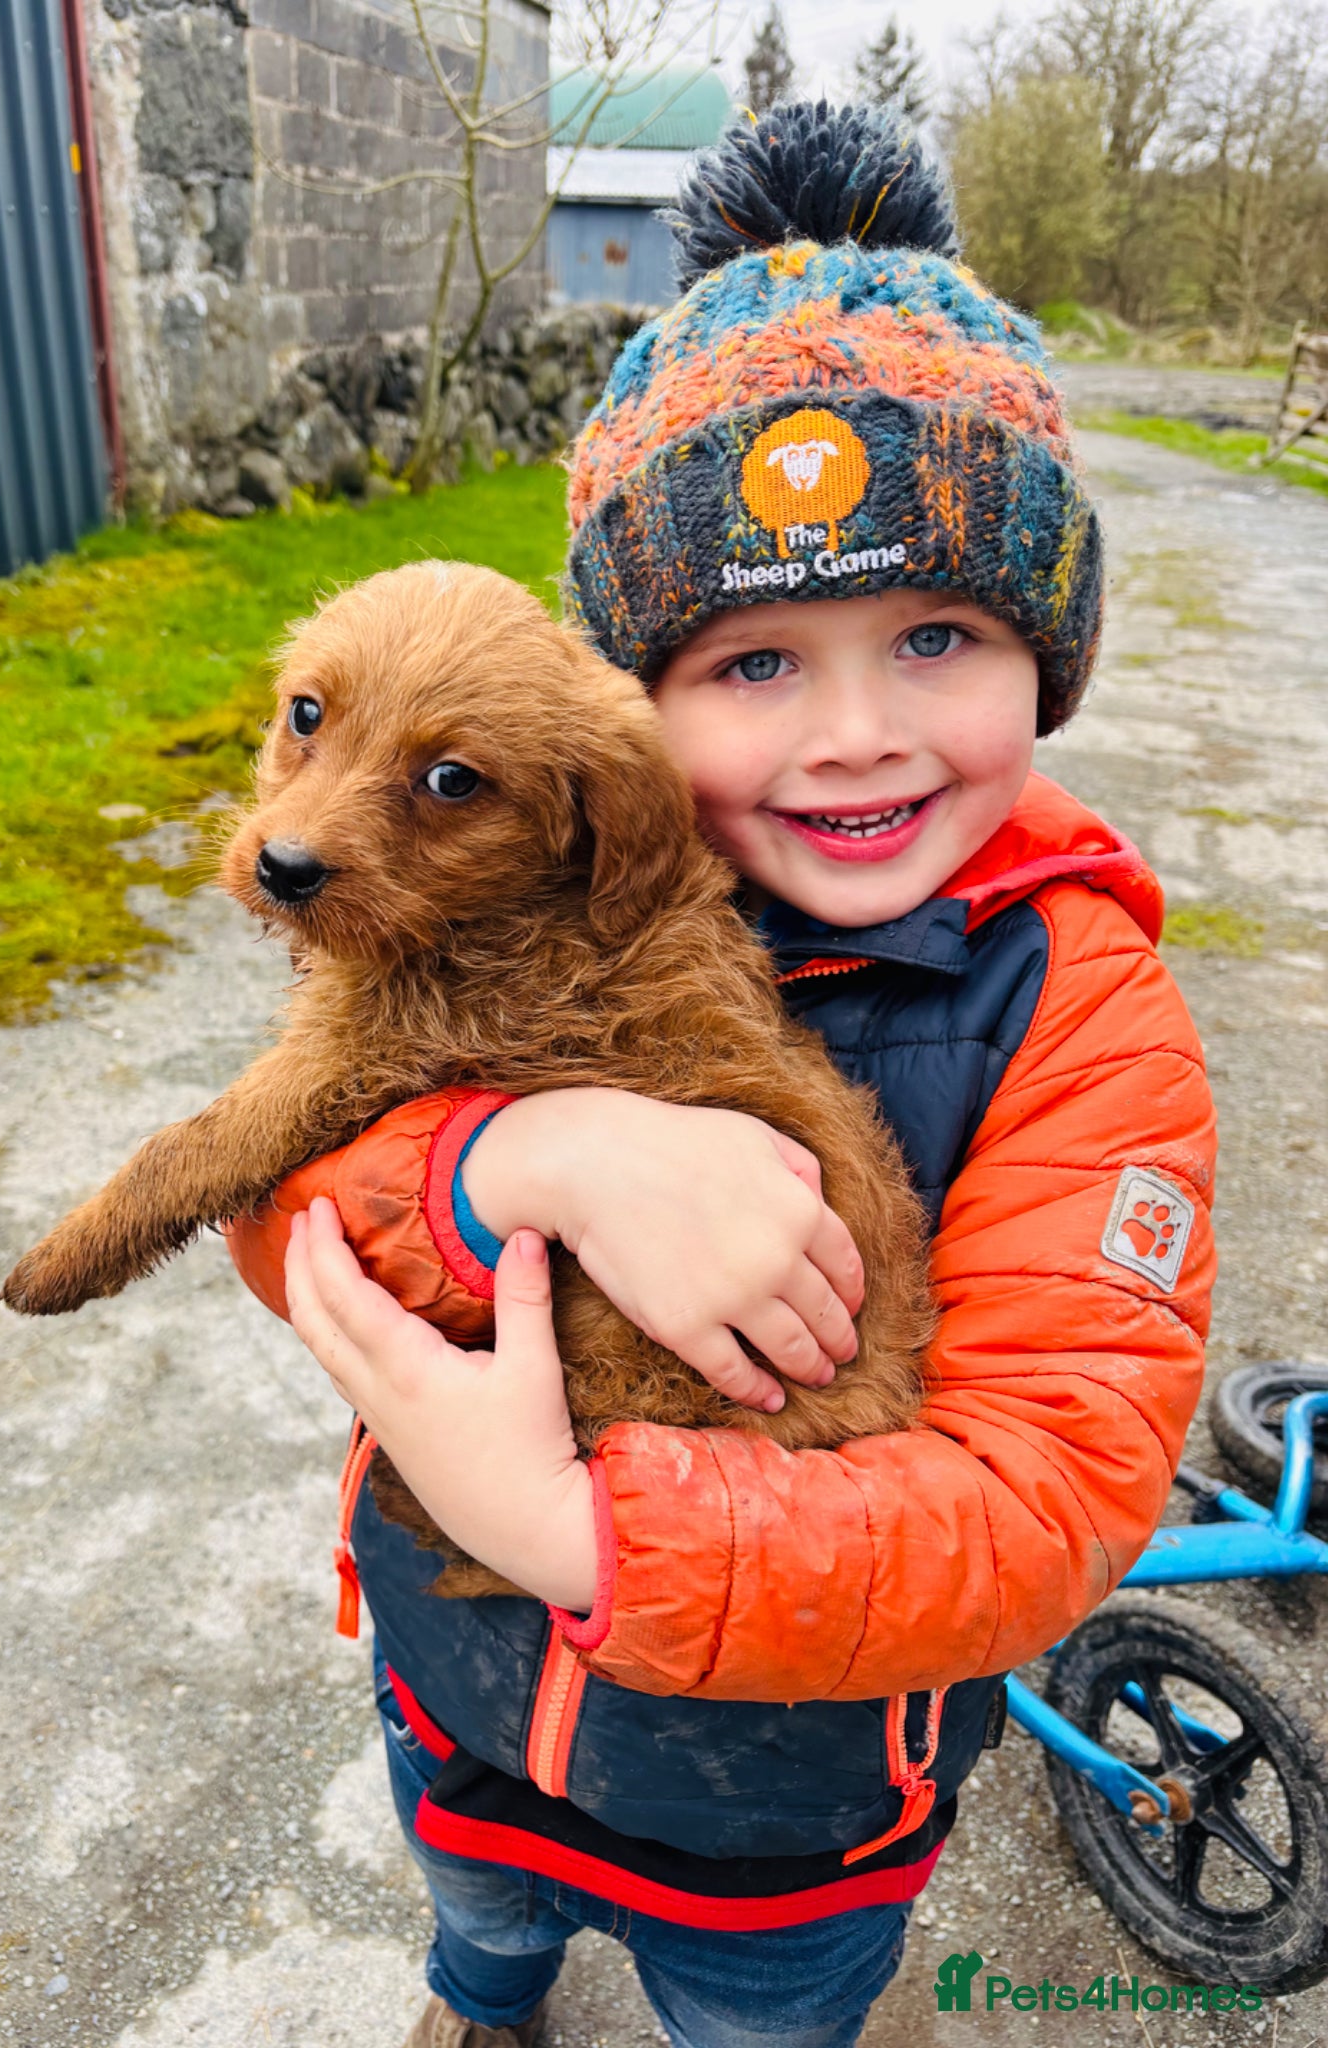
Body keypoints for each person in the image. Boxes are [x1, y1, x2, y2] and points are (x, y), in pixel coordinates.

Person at [227, 101, 1216, 2048]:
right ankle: (483, 1994)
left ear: (1049, 655)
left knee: (761, 2015)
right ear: (625, 706)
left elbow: (1041, 1504)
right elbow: (283, 1223)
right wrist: (520, 1162)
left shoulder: (1078, 1013)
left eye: (936, 631)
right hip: (464, 1694)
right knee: (479, 1912)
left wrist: (580, 1535)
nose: (855, 735)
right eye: (755, 662)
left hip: (788, 1826)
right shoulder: (512, 887)